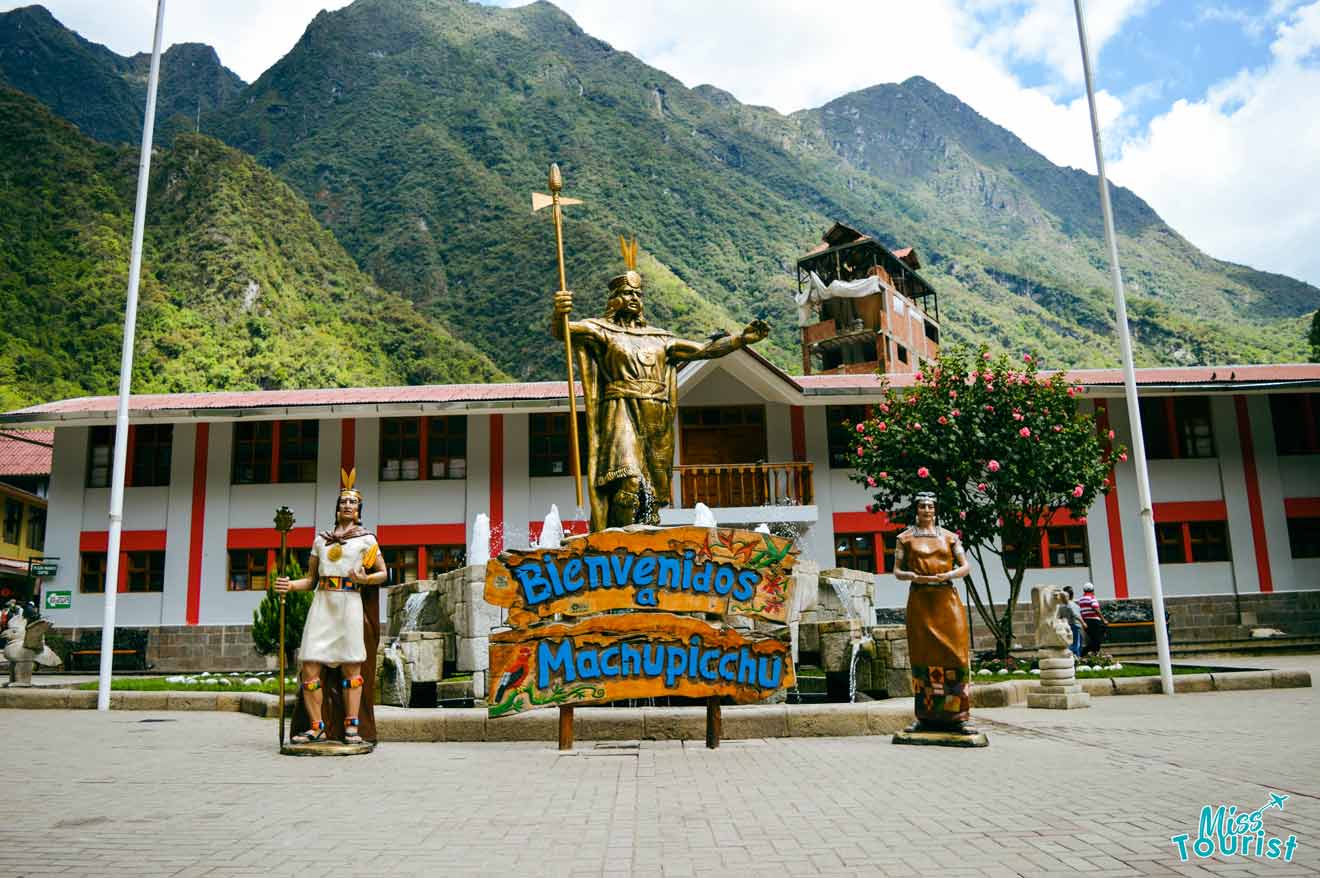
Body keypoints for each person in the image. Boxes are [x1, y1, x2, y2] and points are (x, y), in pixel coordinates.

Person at [552, 239, 770, 532]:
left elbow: (704, 349)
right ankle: (615, 540)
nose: (633, 299)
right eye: (627, 293)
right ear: (614, 298)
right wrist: (559, 311)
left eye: (638, 294)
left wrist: (741, 340)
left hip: (656, 416)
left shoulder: (660, 337)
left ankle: (642, 541)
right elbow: (564, 332)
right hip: (620, 409)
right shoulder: (602, 330)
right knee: (628, 479)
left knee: (649, 491)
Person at [275, 468, 387, 745]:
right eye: (343, 502)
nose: (347, 505)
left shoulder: (366, 539)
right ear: (337, 508)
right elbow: (311, 580)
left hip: (349, 603)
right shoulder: (320, 540)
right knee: (310, 666)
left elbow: (384, 573)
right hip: (323, 604)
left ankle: (352, 726)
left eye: (352, 502)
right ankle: (317, 726)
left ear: (359, 509)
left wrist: (366, 578)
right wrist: (289, 585)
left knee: (352, 667)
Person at [891, 492, 976, 734]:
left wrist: (949, 575)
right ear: (916, 510)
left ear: (935, 510)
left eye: (930, 506)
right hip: (920, 599)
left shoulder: (950, 537)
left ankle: (958, 716)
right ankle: (925, 717)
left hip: (946, 598)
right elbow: (896, 570)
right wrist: (912, 576)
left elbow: (966, 566)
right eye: (922, 506)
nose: (926, 510)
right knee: (922, 657)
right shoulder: (904, 538)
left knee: (955, 655)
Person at [1078, 582, 1107, 656]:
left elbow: (1081, 611)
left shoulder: (1081, 600)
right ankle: (1084, 653)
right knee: (1097, 639)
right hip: (1094, 621)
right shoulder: (1092, 598)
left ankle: (1093, 654)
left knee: (1094, 639)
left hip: (1086, 621)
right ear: (1092, 590)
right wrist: (1103, 619)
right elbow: (1096, 609)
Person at [1060, 586, 1084, 657]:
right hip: (1075, 626)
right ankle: (1076, 659)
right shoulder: (1074, 605)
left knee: (1068, 644)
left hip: (1065, 627)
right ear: (1072, 595)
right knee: (1077, 645)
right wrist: (1083, 623)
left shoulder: (1061, 606)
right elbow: (1076, 615)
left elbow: (1060, 617)